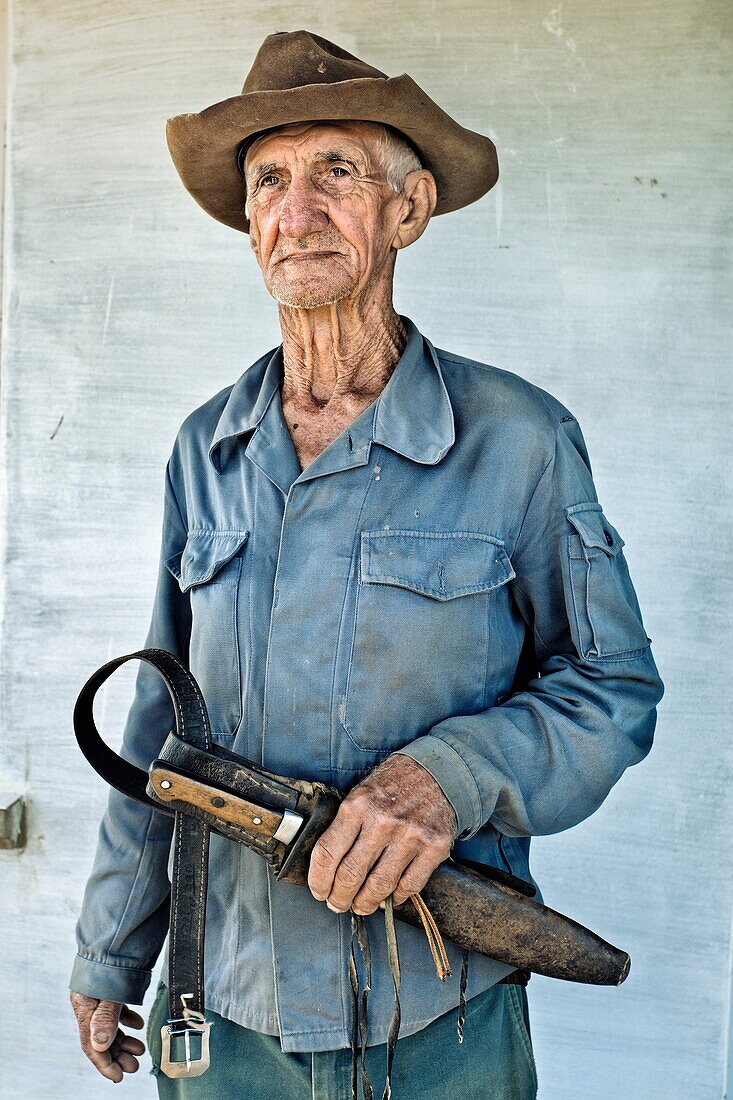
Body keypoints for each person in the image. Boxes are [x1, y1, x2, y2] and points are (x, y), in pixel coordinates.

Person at [69, 29, 664, 1100]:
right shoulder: (206, 448)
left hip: (438, 1016)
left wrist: (452, 772)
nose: (297, 210)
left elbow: (611, 690)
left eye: (334, 170)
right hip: (222, 1011)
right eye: (269, 180)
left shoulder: (517, 439)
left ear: (408, 208)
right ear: (249, 223)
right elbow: (164, 725)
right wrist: (113, 948)